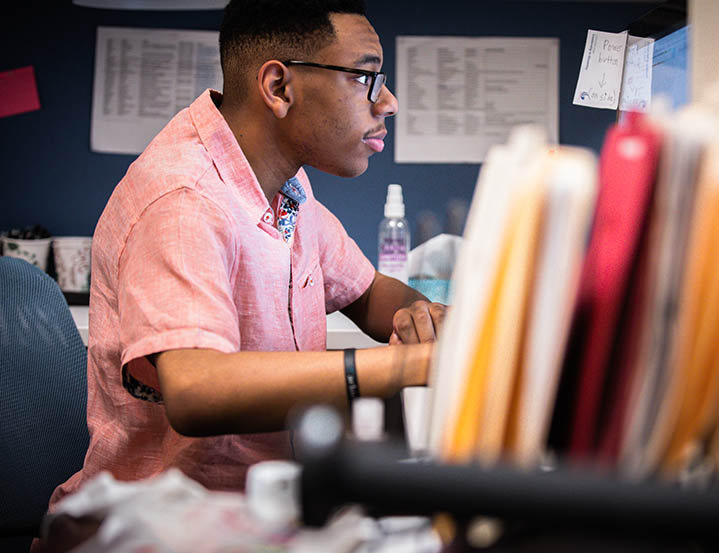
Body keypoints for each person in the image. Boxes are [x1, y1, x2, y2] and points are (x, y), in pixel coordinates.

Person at [40, 0, 445, 529]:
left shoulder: (287, 189)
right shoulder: (183, 197)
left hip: (264, 512)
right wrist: (400, 368)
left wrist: (437, 318)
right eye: (365, 77)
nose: (387, 102)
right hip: (158, 526)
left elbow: (369, 294)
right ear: (279, 87)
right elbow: (196, 390)